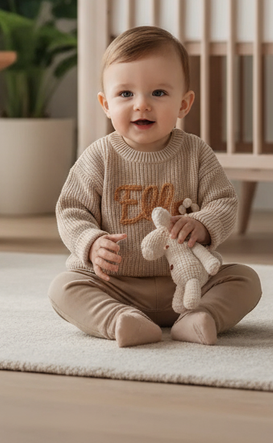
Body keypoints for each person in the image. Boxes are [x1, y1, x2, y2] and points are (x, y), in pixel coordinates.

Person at [49, 26, 261, 348]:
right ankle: (120, 319)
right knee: (64, 287)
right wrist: (90, 243)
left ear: (183, 104)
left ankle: (201, 317)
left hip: (188, 283)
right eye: (126, 94)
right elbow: (71, 210)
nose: (141, 105)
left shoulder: (196, 152)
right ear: (106, 104)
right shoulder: (99, 156)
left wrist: (202, 225)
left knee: (246, 280)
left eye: (158, 93)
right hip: (117, 285)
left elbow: (224, 201)